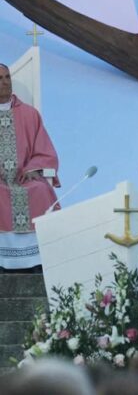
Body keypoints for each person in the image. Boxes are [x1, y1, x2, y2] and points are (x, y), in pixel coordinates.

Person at [0, 64, 60, 271]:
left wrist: (34, 168)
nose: (5, 82)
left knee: (42, 189)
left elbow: (45, 151)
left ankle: (38, 261)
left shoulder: (29, 114)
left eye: (7, 77)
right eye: (0, 78)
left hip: (24, 178)